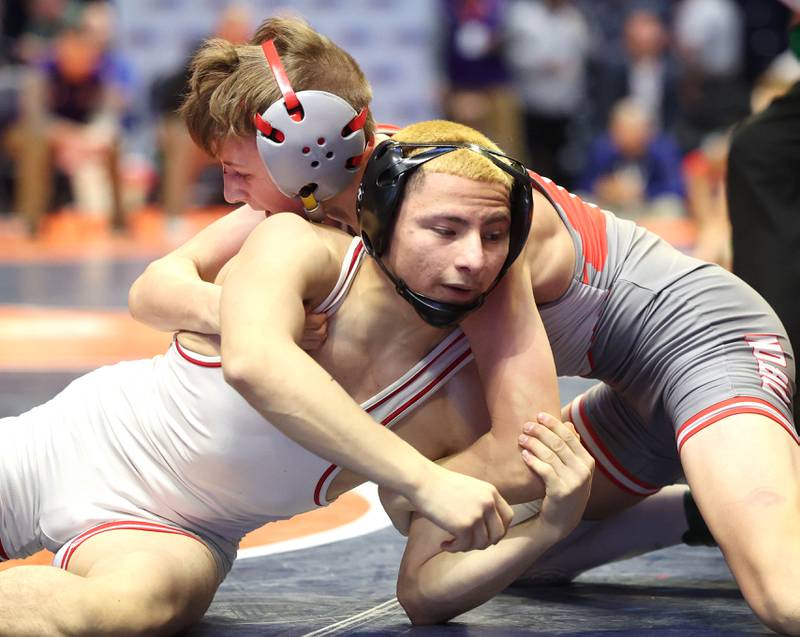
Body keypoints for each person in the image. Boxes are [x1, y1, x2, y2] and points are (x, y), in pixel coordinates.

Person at [132, 18, 800, 633]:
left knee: (781, 595)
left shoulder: (452, 210)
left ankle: (747, 502)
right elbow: (154, 288)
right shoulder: (324, 185)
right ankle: (701, 511)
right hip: (635, 393)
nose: (228, 194)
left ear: (301, 147)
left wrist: (413, 479)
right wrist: (243, 315)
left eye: (236, 170)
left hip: (709, 345)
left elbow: (519, 448)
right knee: (512, 553)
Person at [0, 122, 602, 635]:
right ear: (382, 220)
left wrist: (549, 527)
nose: (473, 259)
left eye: (495, 236)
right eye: (445, 230)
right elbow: (256, 364)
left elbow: (423, 592)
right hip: (62, 448)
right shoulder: (299, 247)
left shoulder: (457, 401)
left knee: (127, 612)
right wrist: (422, 480)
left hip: (178, 532)